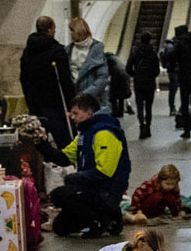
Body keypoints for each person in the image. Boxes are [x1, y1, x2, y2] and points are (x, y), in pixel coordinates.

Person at [50, 95, 132, 239]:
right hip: (92, 188)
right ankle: (108, 215)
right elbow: (63, 158)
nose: (72, 117)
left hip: (107, 191)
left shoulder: (104, 134)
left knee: (60, 194)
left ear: (89, 112)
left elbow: (104, 172)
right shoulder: (85, 134)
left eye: (76, 113)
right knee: (60, 228)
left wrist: (77, 177)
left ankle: (101, 219)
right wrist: (41, 144)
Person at [18, 16, 75, 143]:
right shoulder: (56, 51)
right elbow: (64, 79)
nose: (54, 32)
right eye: (54, 29)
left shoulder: (27, 52)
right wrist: (71, 100)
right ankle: (66, 161)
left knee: (40, 139)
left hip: (34, 103)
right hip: (54, 103)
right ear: (49, 30)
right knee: (63, 139)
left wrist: (28, 98)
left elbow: (23, 77)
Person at [124, 29, 161, 139]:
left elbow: (128, 68)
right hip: (149, 83)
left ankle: (141, 126)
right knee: (148, 107)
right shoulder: (153, 54)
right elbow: (157, 71)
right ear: (150, 40)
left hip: (138, 82)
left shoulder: (135, 53)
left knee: (140, 106)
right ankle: (148, 128)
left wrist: (135, 75)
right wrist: (151, 75)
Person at [68, 17, 110, 110]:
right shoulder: (68, 50)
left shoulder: (96, 50)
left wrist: (85, 95)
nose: (70, 34)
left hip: (91, 101)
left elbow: (102, 78)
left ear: (80, 31)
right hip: (73, 101)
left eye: (72, 30)